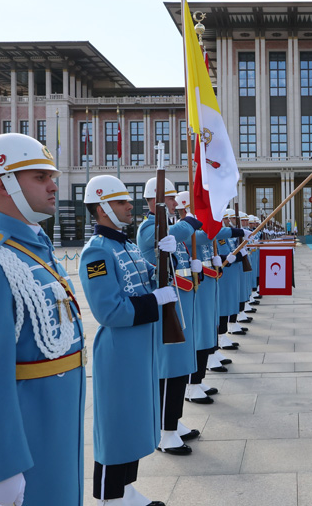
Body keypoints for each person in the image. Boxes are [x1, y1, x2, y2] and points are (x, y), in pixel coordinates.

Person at [0, 133, 86, 506]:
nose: (53, 185)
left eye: (50, 176)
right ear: (3, 184)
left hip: (54, 428)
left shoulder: (35, 249)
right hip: (22, 439)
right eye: (40, 177)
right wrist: (1, 467)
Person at [79, 174, 174, 506]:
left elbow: (150, 276)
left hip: (139, 348)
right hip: (119, 351)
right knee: (116, 426)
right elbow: (108, 310)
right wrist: (153, 301)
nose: (129, 206)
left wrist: (167, 257)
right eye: (121, 202)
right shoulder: (97, 253)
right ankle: (110, 496)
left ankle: (127, 489)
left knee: (133, 420)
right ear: (102, 208)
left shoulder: (127, 245)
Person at [136, 178, 202, 455]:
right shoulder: (149, 227)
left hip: (179, 304)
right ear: (156, 200)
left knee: (180, 368)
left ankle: (174, 421)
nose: (175, 203)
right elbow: (170, 233)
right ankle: (165, 432)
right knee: (169, 369)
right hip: (165, 310)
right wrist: (190, 222)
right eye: (171, 198)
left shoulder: (167, 228)